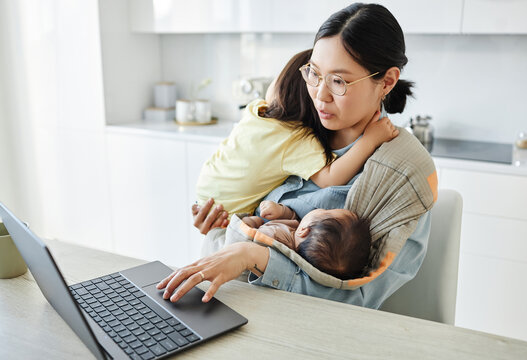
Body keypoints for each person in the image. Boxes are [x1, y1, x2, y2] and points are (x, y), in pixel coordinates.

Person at [157, 3, 431, 308]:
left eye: (338, 81)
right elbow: (241, 221)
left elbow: (357, 298)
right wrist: (219, 221)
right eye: (314, 74)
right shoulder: (292, 127)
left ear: (388, 81)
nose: (320, 95)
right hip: (229, 304)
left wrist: (254, 256)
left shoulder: (403, 173)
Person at [196, 48, 397, 216]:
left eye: (337, 81)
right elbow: (331, 178)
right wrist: (370, 140)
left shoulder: (256, 109)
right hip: (226, 213)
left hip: (205, 192)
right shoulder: (295, 138)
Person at [221, 200, 371, 280]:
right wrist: (281, 211)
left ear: (305, 230)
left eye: (325, 211)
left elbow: (247, 237)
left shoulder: (272, 236)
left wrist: (252, 221)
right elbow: (294, 220)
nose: (322, 209)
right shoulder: (299, 240)